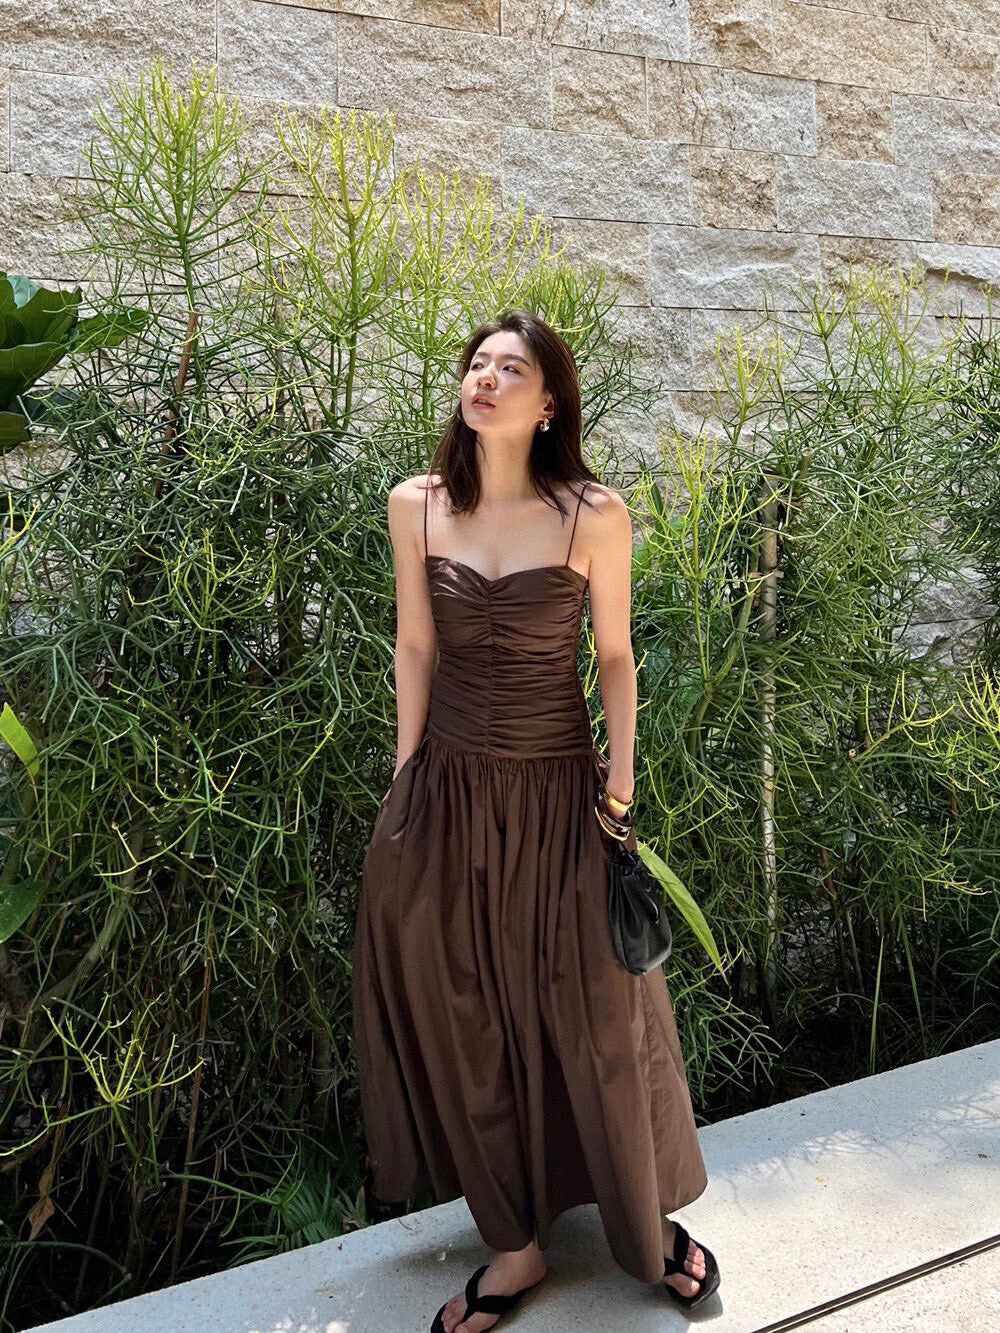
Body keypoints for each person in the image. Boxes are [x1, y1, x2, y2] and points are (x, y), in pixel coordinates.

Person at [351, 310, 720, 1332]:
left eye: (510, 368)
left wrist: (622, 786)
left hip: (562, 791)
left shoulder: (593, 513)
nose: (485, 378)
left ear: (549, 402)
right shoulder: (417, 504)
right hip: (450, 791)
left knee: (599, 1013)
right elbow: (415, 645)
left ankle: (643, 1228)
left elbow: (615, 657)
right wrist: (407, 774)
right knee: (466, 1013)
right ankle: (514, 1248)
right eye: (476, 363)